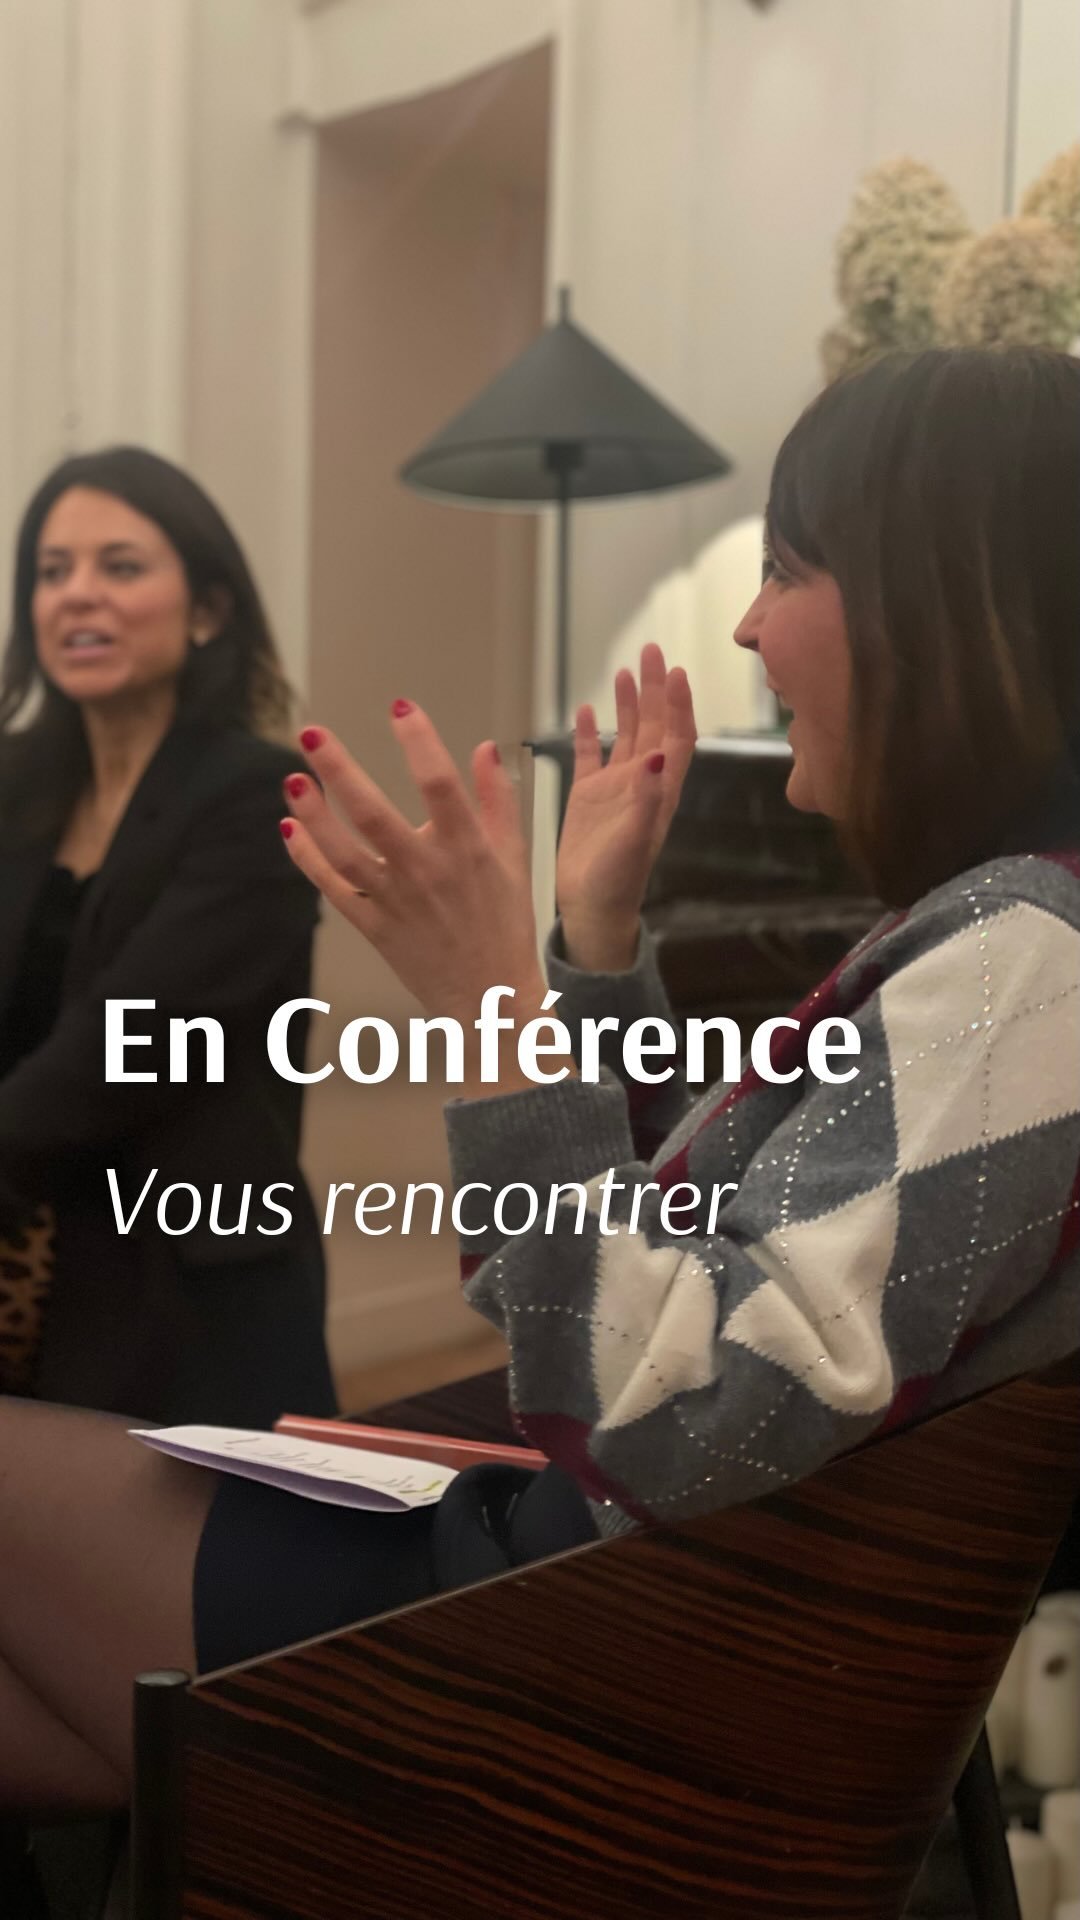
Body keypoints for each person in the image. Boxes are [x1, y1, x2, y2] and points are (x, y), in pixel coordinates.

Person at [1, 347, 1079, 1821]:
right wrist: (595, 949)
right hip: (602, 1585)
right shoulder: (1007, 939)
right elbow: (672, 1262)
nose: (748, 624)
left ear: (945, 606)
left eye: (785, 570)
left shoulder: (1030, 958)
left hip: (572, 1645)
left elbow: (679, 1411)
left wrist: (493, 1012)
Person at [0, 447, 336, 1425]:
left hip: (185, 1287)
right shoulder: (13, 784)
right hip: (23, 1257)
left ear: (208, 610)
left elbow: (126, 1042)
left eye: (120, 566)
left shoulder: (260, 795)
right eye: (52, 571)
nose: (77, 594)